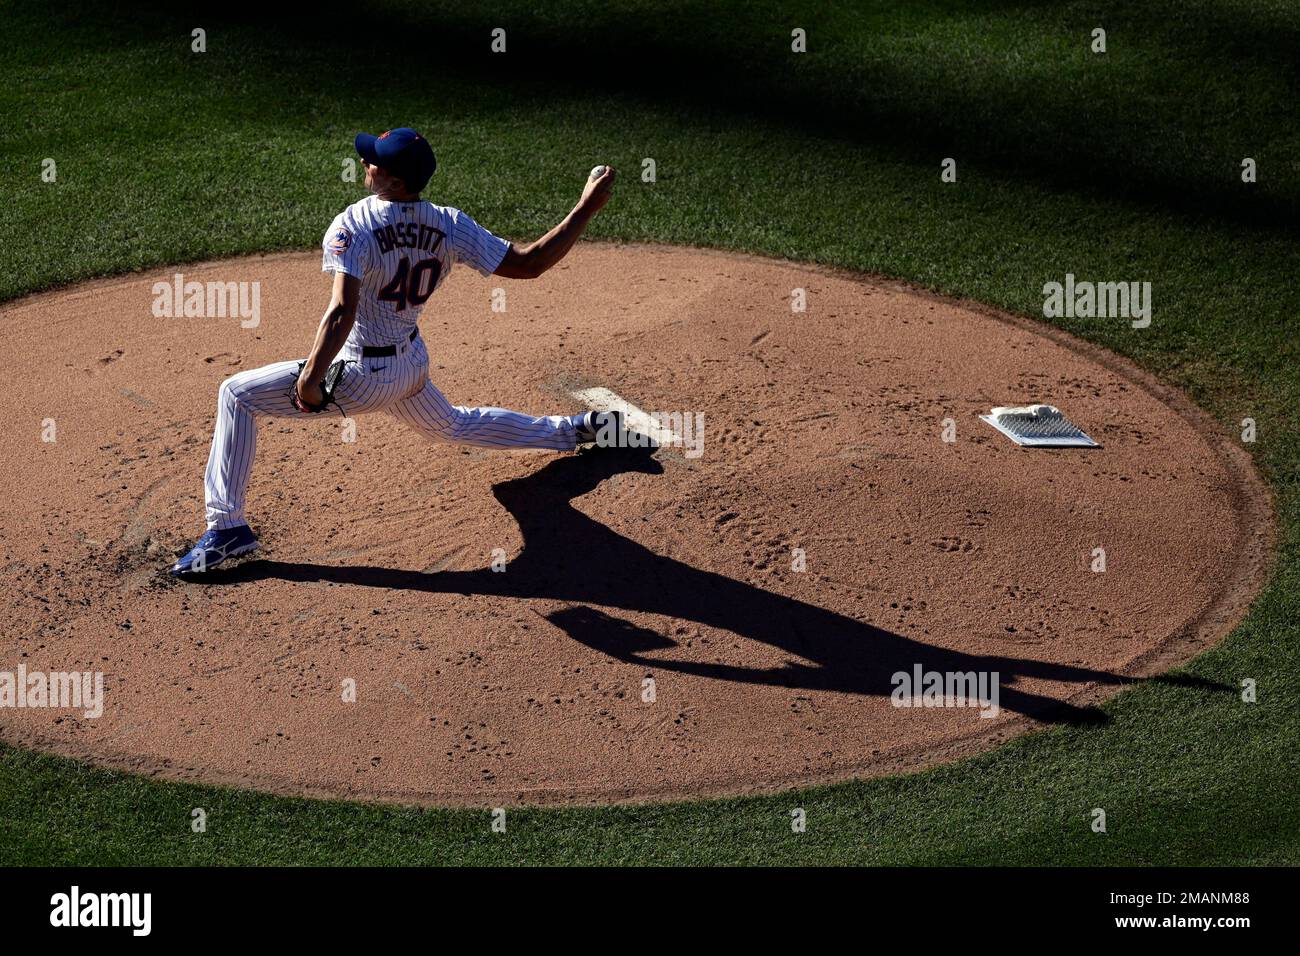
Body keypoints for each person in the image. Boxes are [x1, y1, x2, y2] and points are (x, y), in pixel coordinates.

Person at [172, 127, 621, 576]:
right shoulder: (449, 223)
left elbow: (340, 314)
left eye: (375, 164)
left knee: (237, 395)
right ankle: (577, 430)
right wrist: (586, 208)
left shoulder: (354, 224)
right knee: (453, 424)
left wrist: (310, 380)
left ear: (393, 181)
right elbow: (531, 262)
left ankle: (227, 528)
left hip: (361, 376)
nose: (366, 165)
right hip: (410, 365)